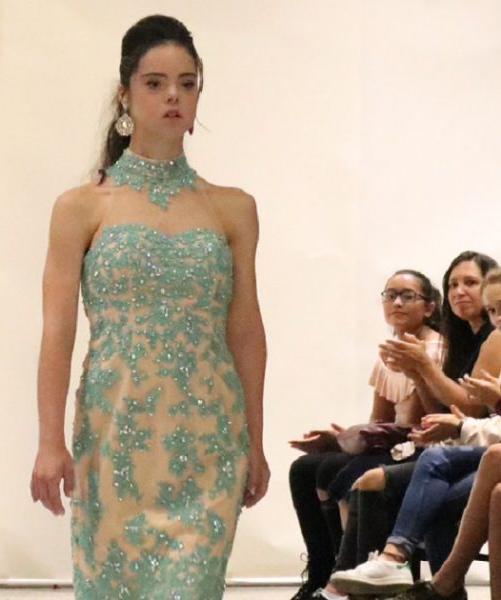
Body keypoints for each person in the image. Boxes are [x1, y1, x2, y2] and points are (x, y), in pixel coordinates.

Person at [29, 15, 269, 599]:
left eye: (187, 84)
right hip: (114, 438)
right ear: (125, 95)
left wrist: (255, 441)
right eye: (155, 83)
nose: (173, 97)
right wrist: (49, 440)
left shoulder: (233, 208)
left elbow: (245, 328)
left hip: (210, 440)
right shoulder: (80, 207)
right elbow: (57, 331)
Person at [329, 264, 501, 597]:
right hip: (457, 443)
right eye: (453, 283)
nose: (460, 291)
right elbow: (386, 418)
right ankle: (351, 579)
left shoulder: (450, 345)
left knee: (378, 478)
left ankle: (384, 576)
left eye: (407, 296)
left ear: (429, 305)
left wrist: (425, 374)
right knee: (318, 470)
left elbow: (458, 410)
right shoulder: (460, 341)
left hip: (462, 446)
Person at [288, 269, 443, 600]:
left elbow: (429, 418)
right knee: (303, 468)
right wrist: (343, 439)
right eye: (390, 295)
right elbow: (380, 421)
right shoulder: (390, 350)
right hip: (394, 443)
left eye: (408, 296)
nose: (397, 302)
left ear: (429, 307)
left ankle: (347, 577)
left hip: (420, 447)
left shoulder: (433, 348)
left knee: (331, 470)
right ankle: (321, 572)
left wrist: (417, 370)